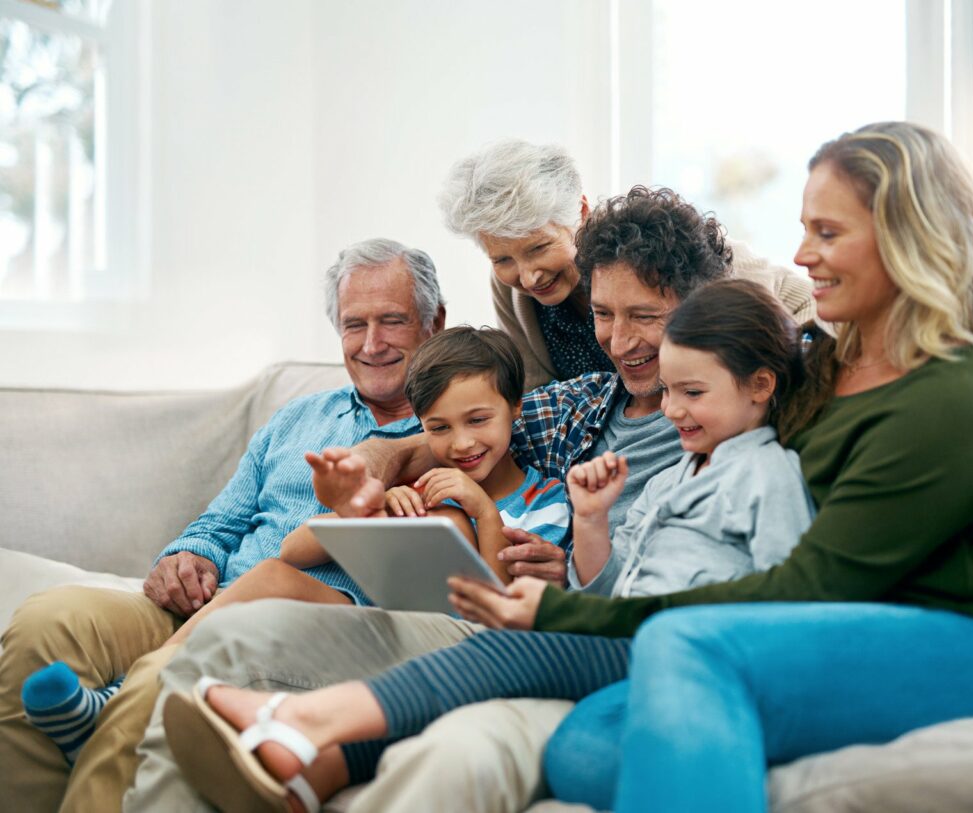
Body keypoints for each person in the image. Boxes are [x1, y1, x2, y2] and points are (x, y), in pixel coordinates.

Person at [122, 186, 779, 813]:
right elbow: (458, 430)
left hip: (580, 636)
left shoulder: (739, 431)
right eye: (604, 315)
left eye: (646, 317)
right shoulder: (577, 406)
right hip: (534, 618)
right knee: (240, 631)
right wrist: (373, 465)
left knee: (255, 637)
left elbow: (785, 338)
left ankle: (308, 732)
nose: (619, 340)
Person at [445, 121, 973, 812]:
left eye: (828, 233)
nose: (803, 254)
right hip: (828, 632)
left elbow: (812, 582)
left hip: (951, 630)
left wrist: (573, 608)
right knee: (582, 745)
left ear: (911, 236)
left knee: (683, 644)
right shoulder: (815, 368)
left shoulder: (958, 391)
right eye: (805, 229)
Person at [0, 237, 446, 812]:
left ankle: (106, 726)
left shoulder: (456, 434)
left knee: (160, 678)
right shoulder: (298, 417)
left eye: (392, 321)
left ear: (434, 322)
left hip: (309, 627)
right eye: (353, 325)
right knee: (46, 623)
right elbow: (222, 520)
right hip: (209, 603)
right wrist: (188, 557)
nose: (371, 344)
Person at [440, 139, 816, 390]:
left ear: (581, 212)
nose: (527, 275)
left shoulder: (657, 250)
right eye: (502, 258)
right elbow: (541, 393)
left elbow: (788, 316)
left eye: (538, 248)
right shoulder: (511, 287)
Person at [281, 325, 570, 582]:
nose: (462, 443)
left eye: (477, 420)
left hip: (475, 635)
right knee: (272, 575)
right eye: (440, 427)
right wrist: (378, 512)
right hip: (396, 625)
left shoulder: (545, 502)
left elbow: (502, 607)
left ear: (516, 405)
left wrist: (484, 512)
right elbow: (291, 551)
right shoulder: (422, 491)